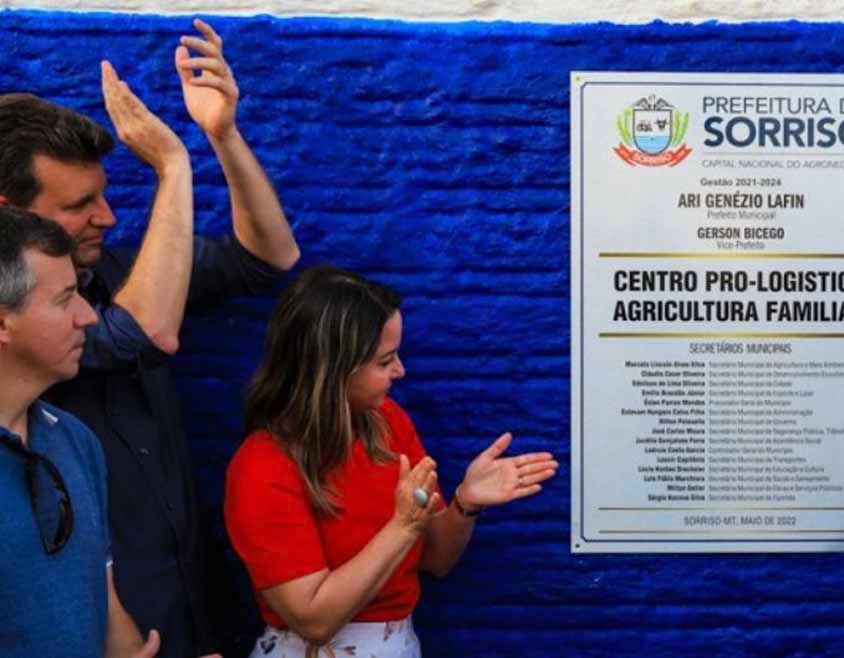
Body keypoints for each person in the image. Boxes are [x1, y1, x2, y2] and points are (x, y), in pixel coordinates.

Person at [0, 19, 299, 658]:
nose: (106, 217)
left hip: (187, 605)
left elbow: (269, 256)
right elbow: (145, 331)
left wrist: (222, 136)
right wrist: (171, 165)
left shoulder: (124, 270)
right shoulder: (20, 324)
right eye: (80, 204)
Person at [224, 266, 557, 657]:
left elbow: (435, 559)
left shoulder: (389, 424)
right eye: (385, 361)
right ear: (332, 371)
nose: (400, 370)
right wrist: (401, 527)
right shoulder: (262, 467)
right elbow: (314, 620)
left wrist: (467, 504)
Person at [0, 207, 220, 658]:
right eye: (64, 300)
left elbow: (104, 606)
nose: (89, 316)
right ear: (3, 322)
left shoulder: (76, 442)